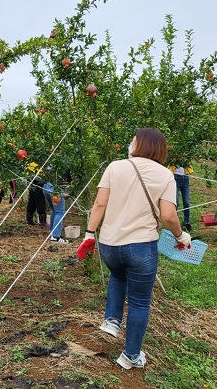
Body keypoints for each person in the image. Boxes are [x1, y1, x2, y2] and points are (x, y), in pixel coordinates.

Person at [82, 128, 191, 370]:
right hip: (140, 247)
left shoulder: (115, 167)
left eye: (133, 140)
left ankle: (111, 320)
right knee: (140, 302)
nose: (130, 144)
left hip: (109, 244)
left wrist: (89, 234)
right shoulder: (165, 176)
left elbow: (100, 203)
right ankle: (130, 355)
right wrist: (181, 235)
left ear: (140, 145)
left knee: (117, 275)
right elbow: (169, 215)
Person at [168, 164, 193, 231]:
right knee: (176, 202)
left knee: (187, 202)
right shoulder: (174, 157)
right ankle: (174, 221)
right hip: (175, 178)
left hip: (185, 178)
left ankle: (186, 222)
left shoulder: (186, 156)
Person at [25, 162, 46, 226]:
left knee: (32, 199)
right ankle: (42, 221)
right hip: (37, 178)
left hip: (31, 177)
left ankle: (29, 220)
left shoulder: (30, 157)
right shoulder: (38, 157)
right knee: (40, 200)